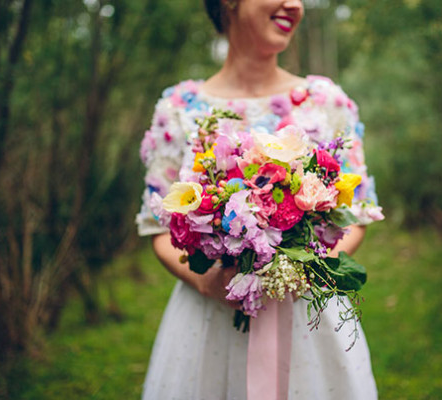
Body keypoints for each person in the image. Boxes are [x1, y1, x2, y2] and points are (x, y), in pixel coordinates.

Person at [136, 0, 383, 398]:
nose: (296, 5)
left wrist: (297, 271)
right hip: (210, 316)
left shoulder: (325, 101)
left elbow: (353, 215)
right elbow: (160, 229)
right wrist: (208, 281)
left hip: (306, 315)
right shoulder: (179, 109)